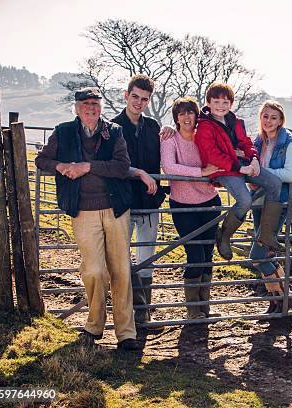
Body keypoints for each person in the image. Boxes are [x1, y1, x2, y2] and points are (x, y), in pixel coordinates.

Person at [35, 87, 141, 350]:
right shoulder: (63, 131)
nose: (91, 108)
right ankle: (94, 326)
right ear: (77, 107)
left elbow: (120, 166)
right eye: (86, 104)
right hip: (83, 210)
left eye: (95, 103)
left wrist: (87, 167)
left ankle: (126, 333)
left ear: (101, 106)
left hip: (116, 208)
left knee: (121, 270)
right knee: (93, 270)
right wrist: (60, 166)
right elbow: (41, 160)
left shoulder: (114, 132)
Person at [195, 82, 283, 260]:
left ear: (231, 104)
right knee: (244, 200)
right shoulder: (204, 126)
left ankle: (266, 234)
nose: (221, 106)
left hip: (243, 165)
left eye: (225, 102)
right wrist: (239, 166)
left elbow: (246, 144)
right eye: (216, 102)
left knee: (275, 183)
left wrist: (254, 159)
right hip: (224, 169)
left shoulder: (235, 121)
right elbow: (212, 154)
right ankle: (224, 236)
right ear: (208, 103)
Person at [111, 74, 165, 331]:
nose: (139, 102)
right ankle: (124, 315)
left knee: (146, 257)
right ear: (126, 95)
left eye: (144, 99)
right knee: (121, 257)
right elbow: (113, 165)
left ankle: (142, 315)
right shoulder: (112, 127)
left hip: (150, 202)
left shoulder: (154, 127)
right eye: (135, 97)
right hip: (123, 203)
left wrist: (172, 131)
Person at [160, 96, 221, 319]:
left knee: (207, 255)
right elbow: (169, 167)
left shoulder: (203, 137)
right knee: (194, 254)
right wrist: (201, 173)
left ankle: (205, 308)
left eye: (190, 112)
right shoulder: (170, 139)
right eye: (182, 113)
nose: (186, 117)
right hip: (183, 205)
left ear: (197, 116)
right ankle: (193, 311)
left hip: (209, 202)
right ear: (176, 117)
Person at [249, 101, 292, 313]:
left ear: (281, 120)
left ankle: (285, 297)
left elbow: (290, 174)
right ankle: (276, 300)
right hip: (258, 199)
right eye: (265, 116)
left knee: (258, 254)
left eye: (273, 117)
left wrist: (261, 174)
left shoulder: (289, 142)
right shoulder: (257, 141)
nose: (268, 121)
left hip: (277, 201)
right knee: (265, 254)